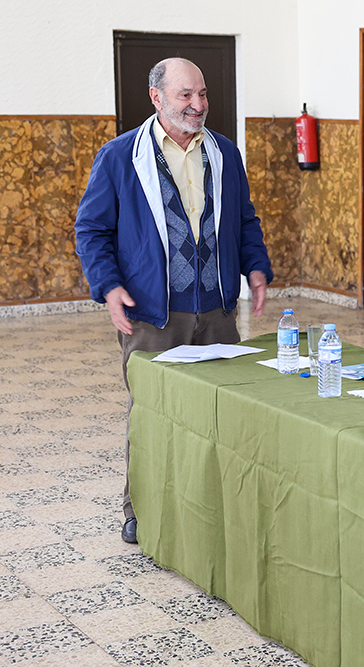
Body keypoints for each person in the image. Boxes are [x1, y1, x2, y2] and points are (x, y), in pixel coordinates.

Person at [75, 58, 273, 544]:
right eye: (186, 95)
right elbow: (91, 229)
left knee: (220, 412)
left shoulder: (224, 153)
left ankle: (211, 507)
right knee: (152, 415)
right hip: (154, 317)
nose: (198, 105)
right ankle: (138, 508)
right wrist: (108, 285)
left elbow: (244, 219)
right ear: (157, 97)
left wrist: (256, 266)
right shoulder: (120, 156)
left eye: (202, 94)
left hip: (218, 312)